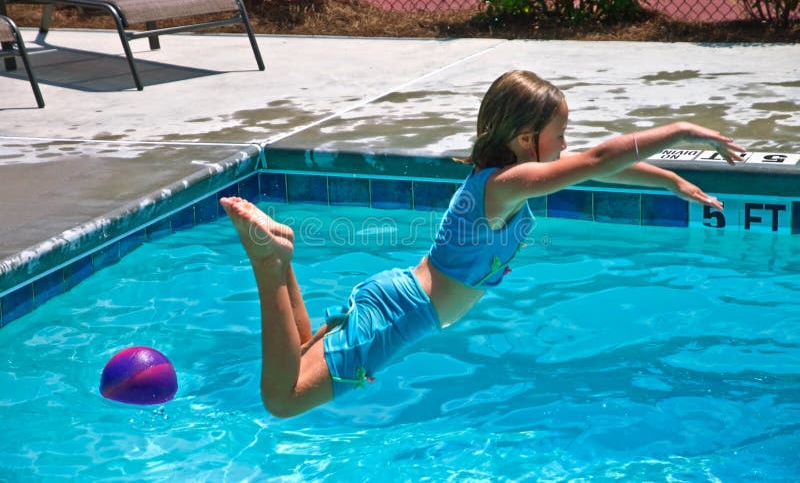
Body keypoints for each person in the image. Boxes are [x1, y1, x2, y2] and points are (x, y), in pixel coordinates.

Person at [220, 69, 746, 418]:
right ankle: (271, 263)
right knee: (282, 400)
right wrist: (680, 130)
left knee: (302, 350)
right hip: (405, 314)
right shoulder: (502, 185)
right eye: (558, 133)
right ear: (525, 139)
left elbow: (597, 166)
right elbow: (595, 161)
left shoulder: (505, 179)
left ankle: (281, 258)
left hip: (403, 297)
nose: (564, 145)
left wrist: (671, 182)